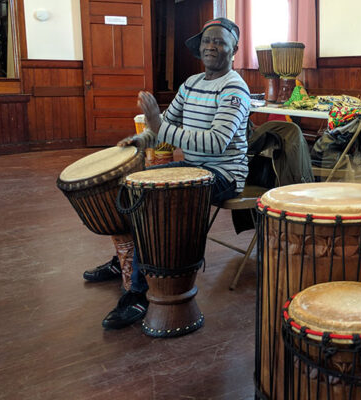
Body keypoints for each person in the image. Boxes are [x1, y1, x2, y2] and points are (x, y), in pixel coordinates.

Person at [98, 17, 251, 330]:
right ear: (199, 47)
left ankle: (138, 294)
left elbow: (216, 142)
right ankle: (126, 263)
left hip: (224, 173)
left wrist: (159, 124)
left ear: (233, 49)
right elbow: (165, 126)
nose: (212, 46)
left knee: (150, 198)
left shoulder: (234, 88)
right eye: (207, 40)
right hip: (194, 168)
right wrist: (142, 139)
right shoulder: (191, 84)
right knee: (131, 189)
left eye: (221, 41)